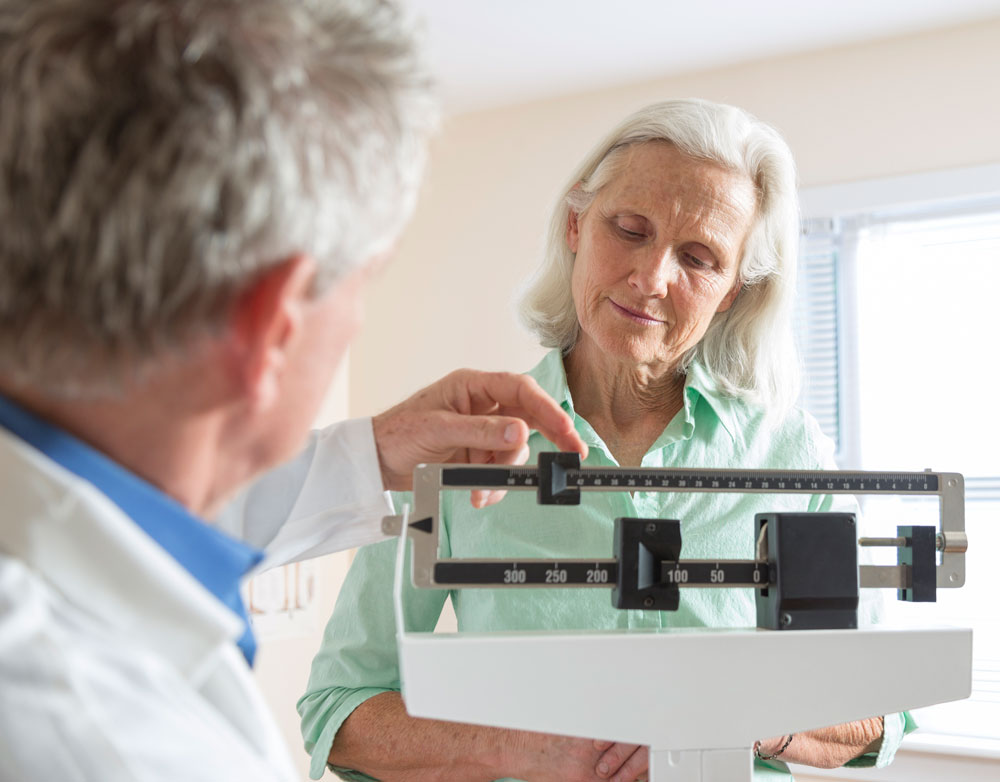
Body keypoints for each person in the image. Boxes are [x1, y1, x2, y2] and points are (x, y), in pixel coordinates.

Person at [0, 2, 586, 781]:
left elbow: (128, 520)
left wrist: (372, 454)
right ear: (274, 325)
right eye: (364, 286)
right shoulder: (116, 746)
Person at [299, 99, 914, 782]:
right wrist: (532, 749)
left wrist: (752, 717)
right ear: (574, 225)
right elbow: (340, 710)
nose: (651, 279)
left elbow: (878, 718)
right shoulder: (459, 450)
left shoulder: (788, 454)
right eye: (629, 229)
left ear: (731, 292)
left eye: (699, 256)